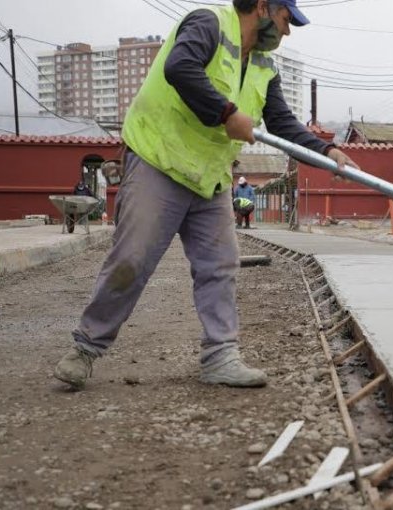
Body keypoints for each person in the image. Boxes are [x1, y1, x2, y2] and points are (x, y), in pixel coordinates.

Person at [53, 0, 358, 390]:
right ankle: (86, 348)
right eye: (286, 20)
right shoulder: (208, 23)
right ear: (264, 7)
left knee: (220, 266)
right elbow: (179, 68)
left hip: (209, 178)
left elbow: (281, 122)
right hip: (159, 161)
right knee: (132, 259)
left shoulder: (264, 66)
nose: (287, 31)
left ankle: (220, 357)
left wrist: (326, 153)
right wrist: (227, 113)